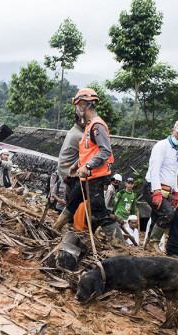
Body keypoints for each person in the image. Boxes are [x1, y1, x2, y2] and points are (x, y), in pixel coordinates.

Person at [55, 88, 121, 243]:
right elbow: (90, 151)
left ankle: (120, 247)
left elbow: (105, 151)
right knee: (73, 201)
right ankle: (54, 228)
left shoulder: (97, 126)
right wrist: (77, 165)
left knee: (99, 213)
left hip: (96, 177)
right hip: (87, 176)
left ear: (83, 106)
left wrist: (88, 166)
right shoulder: (89, 126)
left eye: (77, 107)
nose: (76, 111)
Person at [143, 120, 178, 252]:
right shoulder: (161, 146)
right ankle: (153, 243)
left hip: (167, 190)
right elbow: (154, 170)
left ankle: (147, 246)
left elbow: (174, 172)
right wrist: (157, 192)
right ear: (172, 131)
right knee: (168, 214)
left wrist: (175, 192)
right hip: (152, 187)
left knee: (156, 216)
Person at [53, 115, 85, 231]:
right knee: (74, 203)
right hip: (72, 174)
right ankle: (60, 226)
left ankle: (62, 226)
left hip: (67, 172)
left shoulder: (73, 131)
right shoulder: (79, 136)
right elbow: (89, 153)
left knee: (72, 201)